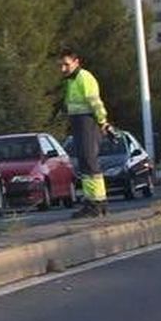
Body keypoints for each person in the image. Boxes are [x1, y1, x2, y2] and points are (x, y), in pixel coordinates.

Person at [59, 46, 112, 219]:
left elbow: (95, 102)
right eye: (61, 65)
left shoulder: (84, 78)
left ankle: (95, 204)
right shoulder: (70, 80)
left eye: (66, 65)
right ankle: (98, 202)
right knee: (85, 162)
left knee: (89, 162)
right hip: (79, 123)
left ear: (76, 62)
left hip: (88, 122)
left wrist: (103, 122)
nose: (63, 69)